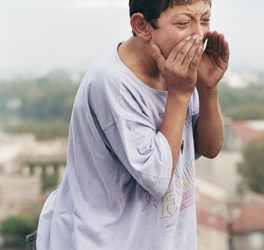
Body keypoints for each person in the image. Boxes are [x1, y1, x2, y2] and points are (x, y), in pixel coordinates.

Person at [32, 0, 229, 249]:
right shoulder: (113, 82)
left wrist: (208, 88)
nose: (199, 35)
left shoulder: (179, 72)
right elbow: (157, 177)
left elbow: (210, 147)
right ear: (142, 26)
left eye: (205, 20)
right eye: (183, 23)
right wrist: (179, 94)